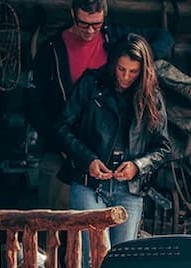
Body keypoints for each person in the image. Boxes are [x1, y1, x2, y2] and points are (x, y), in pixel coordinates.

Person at [26, 0, 173, 210]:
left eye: (96, 24)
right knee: (55, 219)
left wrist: (144, 63)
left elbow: (164, 38)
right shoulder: (52, 49)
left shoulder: (114, 36)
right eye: (84, 23)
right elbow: (33, 104)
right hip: (62, 142)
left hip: (103, 147)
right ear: (73, 14)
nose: (90, 31)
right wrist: (63, 145)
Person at [56, 34, 171, 250]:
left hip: (129, 189)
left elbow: (163, 147)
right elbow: (62, 128)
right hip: (88, 184)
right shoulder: (91, 83)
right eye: (121, 69)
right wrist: (88, 159)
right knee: (92, 258)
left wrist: (138, 166)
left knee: (121, 261)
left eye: (133, 72)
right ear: (113, 63)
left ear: (143, 71)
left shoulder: (151, 95)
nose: (125, 77)